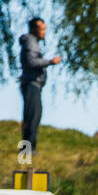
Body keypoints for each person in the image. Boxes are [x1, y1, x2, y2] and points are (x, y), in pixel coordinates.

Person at [19, 18, 61, 155]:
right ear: (33, 29)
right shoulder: (30, 42)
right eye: (41, 29)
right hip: (32, 83)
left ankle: (28, 149)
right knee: (32, 116)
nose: (44, 32)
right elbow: (31, 62)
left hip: (34, 84)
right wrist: (49, 62)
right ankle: (27, 150)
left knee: (34, 116)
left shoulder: (32, 42)